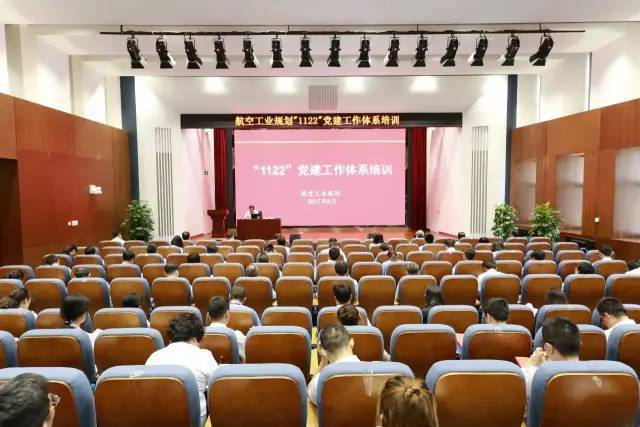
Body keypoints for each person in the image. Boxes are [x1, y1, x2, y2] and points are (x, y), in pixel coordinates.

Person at [146, 313, 218, 427]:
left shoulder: (153, 357)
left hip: (158, 421)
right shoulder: (204, 355)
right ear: (195, 338)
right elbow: (216, 387)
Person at [522, 318, 580, 400]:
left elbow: (518, 388)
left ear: (549, 348)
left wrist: (530, 366)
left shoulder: (539, 376)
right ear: (580, 344)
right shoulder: (596, 375)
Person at [308, 324, 360, 406]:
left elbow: (310, 392)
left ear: (322, 350)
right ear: (352, 342)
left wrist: (323, 361)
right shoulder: (376, 372)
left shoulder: (320, 381)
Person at [208, 296, 246, 361]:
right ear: (227, 314)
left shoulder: (199, 337)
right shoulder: (238, 336)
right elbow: (245, 360)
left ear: (209, 316)